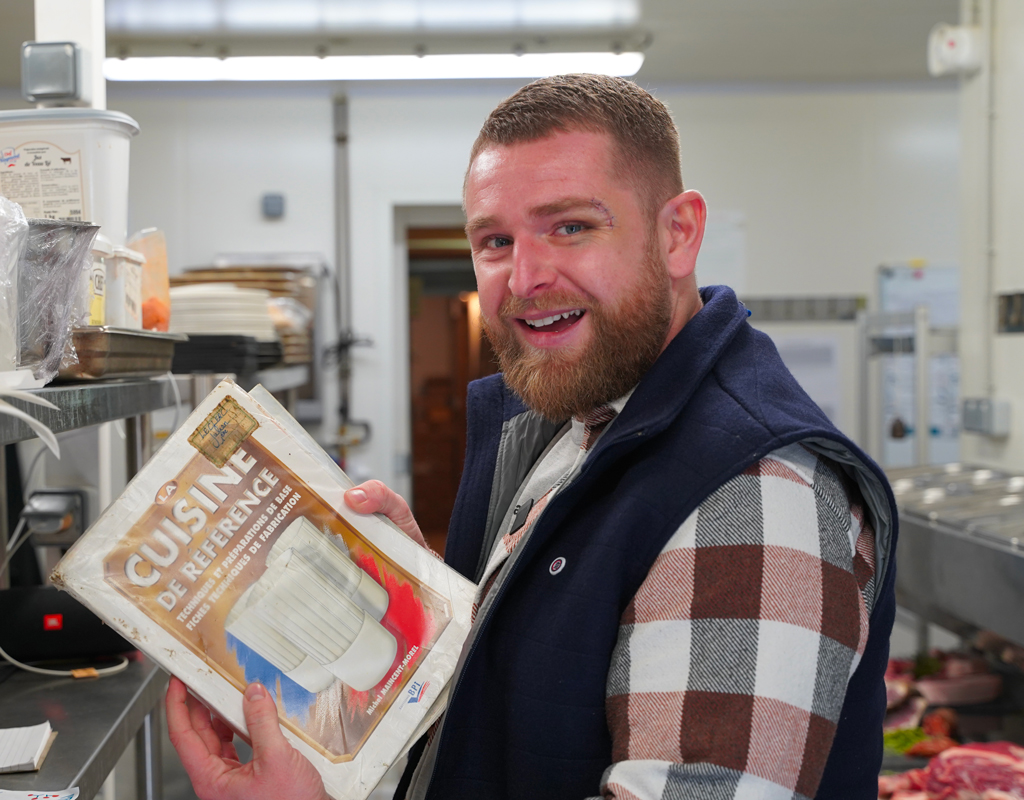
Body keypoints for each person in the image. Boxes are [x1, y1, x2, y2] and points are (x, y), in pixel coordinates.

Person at [167, 74, 897, 800]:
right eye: (494, 241)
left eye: (571, 226)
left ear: (678, 234)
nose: (525, 277)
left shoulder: (753, 492)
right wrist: (428, 602)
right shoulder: (577, 423)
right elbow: (542, 688)